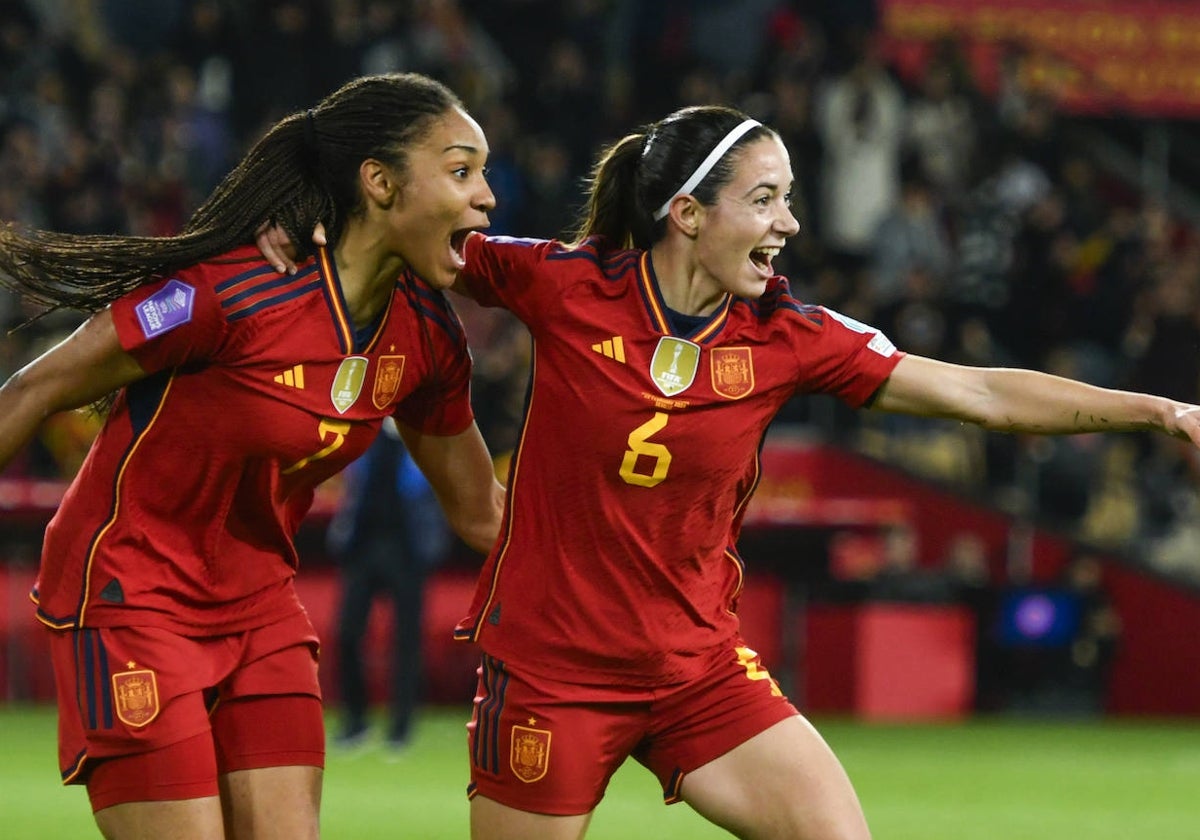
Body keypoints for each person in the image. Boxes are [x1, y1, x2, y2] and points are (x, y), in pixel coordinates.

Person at [261, 104, 1200, 840]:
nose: (789, 222)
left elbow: (979, 395)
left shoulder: (793, 337)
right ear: (687, 213)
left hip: (697, 672)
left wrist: (1157, 411)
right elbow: (418, 242)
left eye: (789, 197)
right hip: (550, 675)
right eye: (765, 199)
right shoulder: (563, 284)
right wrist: (300, 231)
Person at [0, 72, 504, 840]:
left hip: (260, 606)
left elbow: (482, 514)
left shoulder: (429, 336)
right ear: (379, 182)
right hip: (130, 593)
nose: (487, 196)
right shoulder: (224, 295)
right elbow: (35, 389)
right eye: (462, 170)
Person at [326, 417, 450, 750]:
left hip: (408, 550)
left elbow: (438, 490)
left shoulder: (425, 433)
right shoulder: (365, 430)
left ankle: (400, 727)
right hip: (364, 547)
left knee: (407, 640)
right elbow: (352, 487)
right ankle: (355, 721)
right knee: (348, 633)